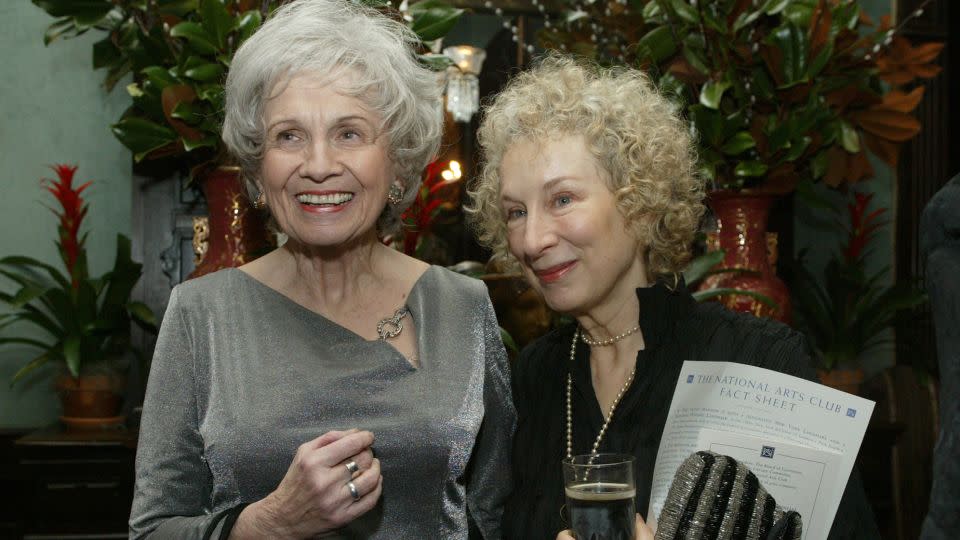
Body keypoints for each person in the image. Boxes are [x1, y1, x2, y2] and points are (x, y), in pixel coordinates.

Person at [129, 1, 515, 538]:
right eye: (289, 135)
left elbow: (494, 515)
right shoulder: (201, 313)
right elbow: (151, 531)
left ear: (398, 163)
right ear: (259, 170)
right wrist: (268, 525)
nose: (317, 165)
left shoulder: (462, 305)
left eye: (349, 133)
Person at [468, 55, 879, 540]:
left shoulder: (758, 361)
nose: (532, 240)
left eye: (562, 200)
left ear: (638, 203)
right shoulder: (533, 379)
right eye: (515, 212)